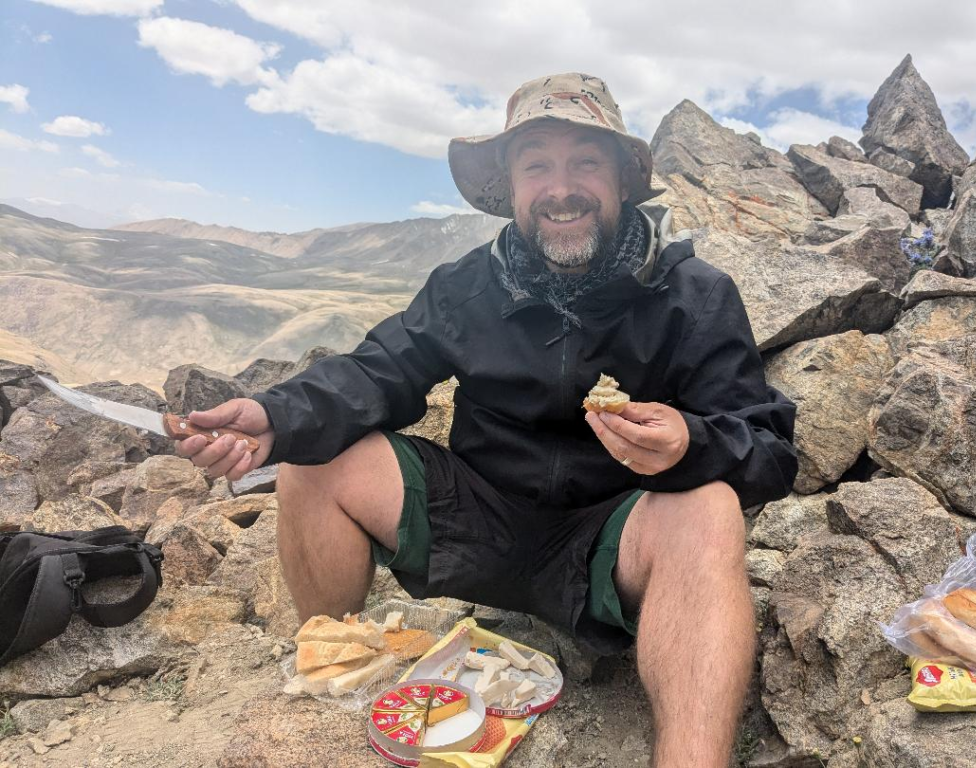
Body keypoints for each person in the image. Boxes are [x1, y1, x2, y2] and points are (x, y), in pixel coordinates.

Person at [177, 73, 797, 767]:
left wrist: (691, 443)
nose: (561, 186)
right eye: (537, 165)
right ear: (512, 188)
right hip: (475, 521)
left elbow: (770, 449)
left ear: (624, 179)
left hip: (609, 542)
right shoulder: (468, 285)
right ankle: (337, 679)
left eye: (585, 162)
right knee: (315, 454)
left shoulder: (694, 296)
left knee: (708, 506)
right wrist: (274, 413)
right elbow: (380, 372)